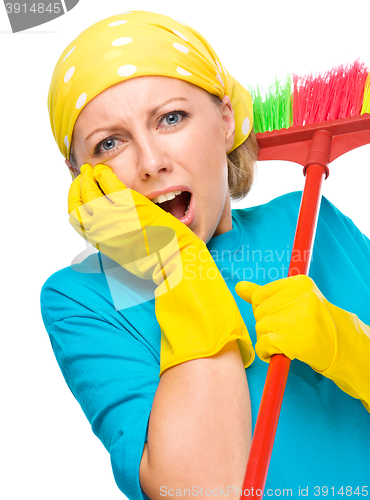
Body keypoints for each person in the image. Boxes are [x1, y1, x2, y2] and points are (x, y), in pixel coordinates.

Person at [41, 10, 370, 500]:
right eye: (110, 144)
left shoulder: (310, 220)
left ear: (224, 119)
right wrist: (177, 264)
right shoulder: (82, 298)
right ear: (83, 178)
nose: (151, 163)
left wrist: (349, 347)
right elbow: (202, 489)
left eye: (171, 118)